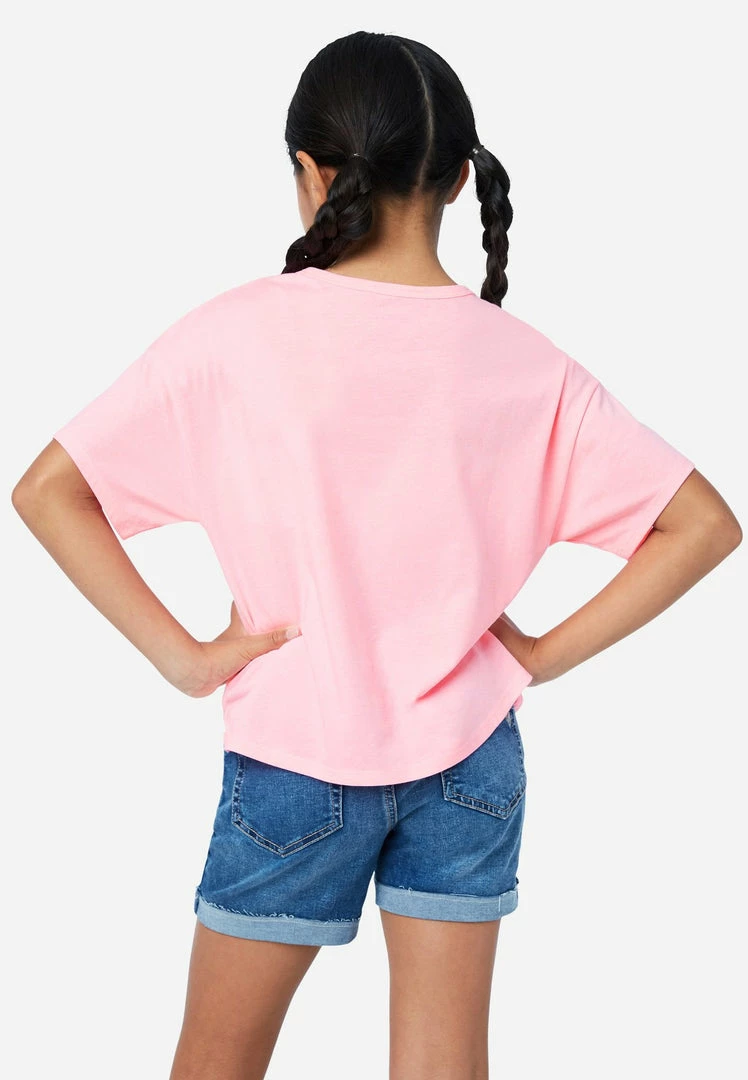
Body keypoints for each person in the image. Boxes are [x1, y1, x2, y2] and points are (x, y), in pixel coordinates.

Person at [11, 28, 741, 1080]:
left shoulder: (232, 335)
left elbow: (48, 491)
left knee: (215, 1065)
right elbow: (705, 524)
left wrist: (184, 659)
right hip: (470, 760)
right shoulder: (526, 362)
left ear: (310, 173)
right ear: (458, 179)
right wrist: (536, 656)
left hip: (293, 758)